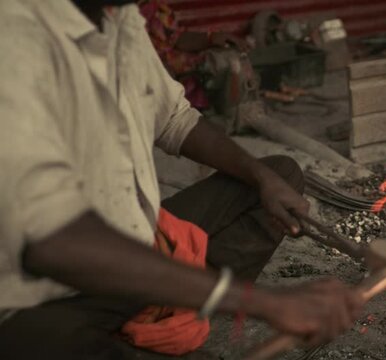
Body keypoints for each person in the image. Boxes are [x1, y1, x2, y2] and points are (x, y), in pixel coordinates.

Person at [0, 0, 362, 358]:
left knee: (278, 175)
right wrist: (260, 302)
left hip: (137, 245)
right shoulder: (15, 36)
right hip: (47, 297)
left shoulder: (119, 16)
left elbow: (175, 119)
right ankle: (143, 320)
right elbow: (54, 241)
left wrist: (261, 176)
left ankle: (171, 304)